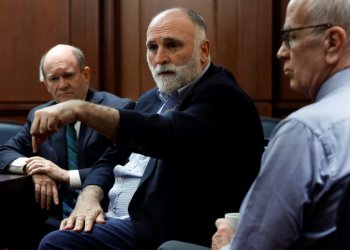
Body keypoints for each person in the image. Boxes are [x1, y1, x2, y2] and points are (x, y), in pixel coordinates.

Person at [32, 7, 265, 250]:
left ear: (203, 51)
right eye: (152, 47)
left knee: (57, 244)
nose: (160, 57)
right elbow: (111, 156)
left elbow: (166, 134)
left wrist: (82, 109)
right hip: (115, 217)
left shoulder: (222, 95)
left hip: (168, 229)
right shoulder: (150, 99)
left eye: (172, 46)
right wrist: (90, 194)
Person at [158, 0, 350, 249]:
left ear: (332, 42)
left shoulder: (306, 132)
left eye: (290, 37)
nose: (281, 51)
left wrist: (228, 244)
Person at [0, 44, 135, 248]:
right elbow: (4, 152)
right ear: (46, 83)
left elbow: (123, 168)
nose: (62, 85)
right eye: (54, 79)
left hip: (102, 218)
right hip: (50, 220)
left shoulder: (116, 111)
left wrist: (64, 175)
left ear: (86, 74)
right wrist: (32, 167)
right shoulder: (39, 116)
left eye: (68, 75)